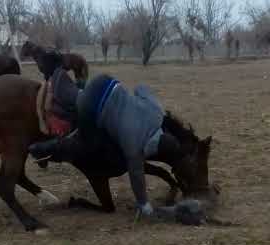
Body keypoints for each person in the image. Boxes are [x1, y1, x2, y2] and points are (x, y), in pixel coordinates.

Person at [29, 52, 190, 219]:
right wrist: (144, 205)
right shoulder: (134, 147)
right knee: (83, 144)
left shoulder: (156, 112)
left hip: (105, 82)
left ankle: (69, 84)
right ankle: (43, 149)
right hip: (89, 106)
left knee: (81, 98)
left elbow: (141, 88)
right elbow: (136, 176)